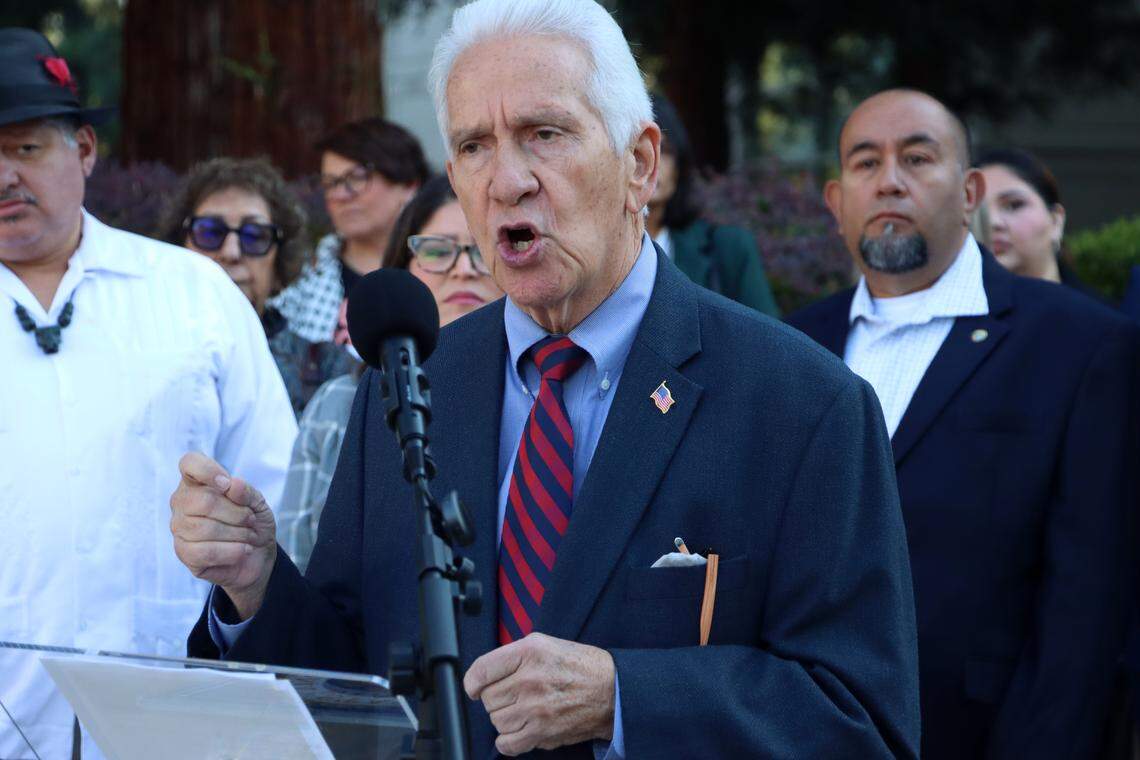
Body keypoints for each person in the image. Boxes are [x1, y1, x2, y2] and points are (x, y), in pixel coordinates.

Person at [172, 1, 920, 757]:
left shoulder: (803, 402)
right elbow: (355, 680)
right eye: (473, 145)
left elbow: (861, 717)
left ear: (640, 164)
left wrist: (623, 699)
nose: (509, 179)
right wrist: (258, 583)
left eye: (545, 134)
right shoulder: (407, 382)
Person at [788, 88, 1138, 759]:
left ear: (970, 191)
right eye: (866, 163)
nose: (890, 180)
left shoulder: (1079, 345)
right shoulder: (789, 350)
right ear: (836, 204)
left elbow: (1087, 606)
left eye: (918, 158)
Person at [0, 28, 295, 760]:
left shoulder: (191, 294)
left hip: (174, 721)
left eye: (26, 147)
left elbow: (277, 497)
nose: (4, 175)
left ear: (86, 151)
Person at [278, 174, 503, 572]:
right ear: (403, 266)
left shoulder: (538, 394)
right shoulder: (341, 403)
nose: (464, 269)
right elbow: (296, 567)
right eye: (437, 251)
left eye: (482, 250)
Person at [158, 157, 358, 415]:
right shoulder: (137, 353)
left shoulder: (331, 371)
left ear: (279, 265)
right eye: (209, 232)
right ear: (179, 247)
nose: (231, 252)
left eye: (254, 236)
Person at [270, 118, 430, 345]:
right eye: (330, 183)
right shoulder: (299, 285)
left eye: (356, 178)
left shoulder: (452, 265)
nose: (340, 195)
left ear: (408, 185)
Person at [645, 93, 780, 316]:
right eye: (636, 150)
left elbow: (769, 346)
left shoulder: (729, 250)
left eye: (665, 150)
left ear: (681, 166)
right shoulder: (586, 255)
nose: (652, 162)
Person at [973, 146, 1102, 298]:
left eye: (1014, 205)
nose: (993, 222)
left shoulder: (1102, 318)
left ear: (1055, 221)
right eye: (978, 210)